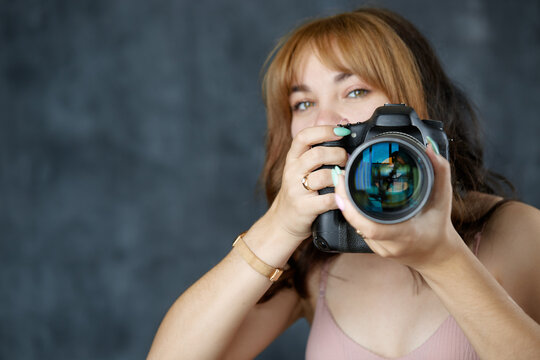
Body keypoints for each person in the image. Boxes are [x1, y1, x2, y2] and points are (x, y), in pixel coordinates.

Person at [147, 8, 540, 360]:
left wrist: (442, 257)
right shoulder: (316, 256)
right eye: (303, 103)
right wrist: (278, 228)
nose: (323, 121)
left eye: (355, 91)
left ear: (415, 109)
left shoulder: (516, 231)